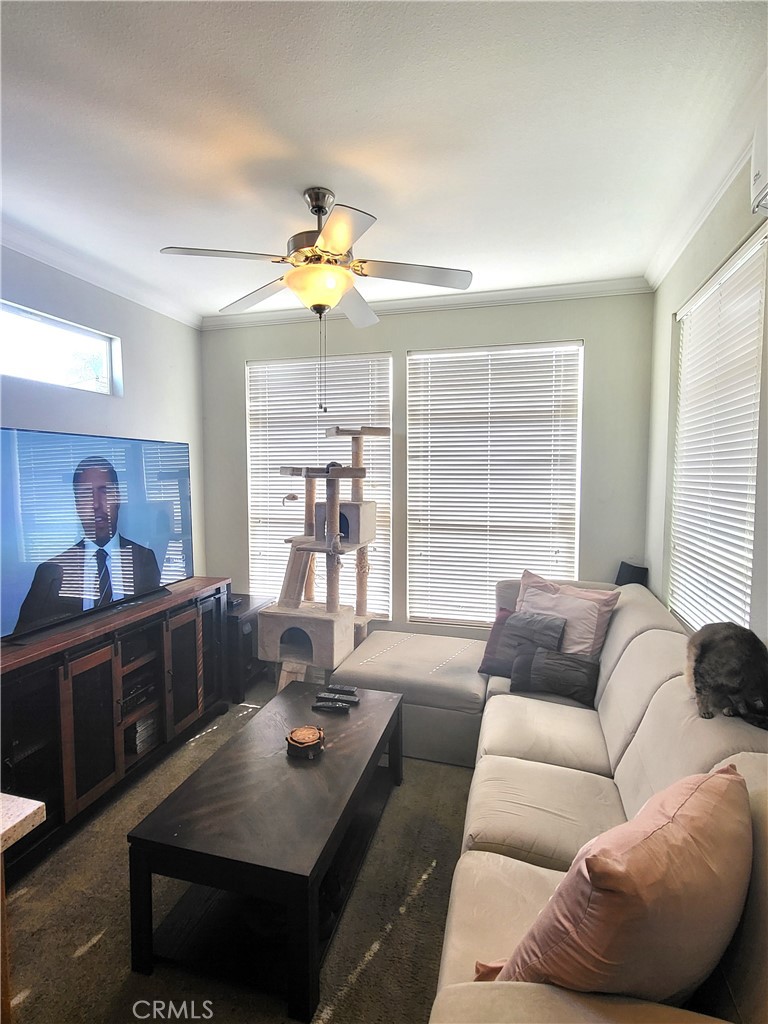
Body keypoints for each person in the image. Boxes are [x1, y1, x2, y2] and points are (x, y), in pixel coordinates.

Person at [14, 456, 161, 633]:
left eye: (104, 491)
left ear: (118, 498)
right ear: (76, 504)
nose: (96, 504)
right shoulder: (50, 572)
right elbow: (23, 639)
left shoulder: (145, 558)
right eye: (85, 494)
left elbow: (155, 629)